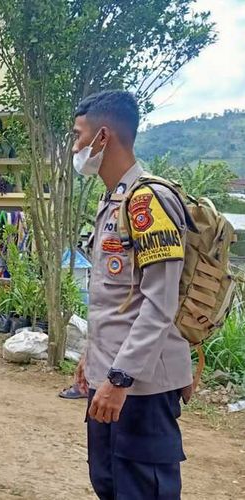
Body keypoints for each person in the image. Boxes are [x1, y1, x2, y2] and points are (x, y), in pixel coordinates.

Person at [72, 90, 193, 500]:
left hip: (140, 387)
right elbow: (113, 298)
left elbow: (160, 305)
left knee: (143, 490)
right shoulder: (113, 201)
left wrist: (119, 379)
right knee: (108, 484)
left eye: (78, 135)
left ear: (102, 137)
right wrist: (92, 360)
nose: (75, 147)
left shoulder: (148, 201)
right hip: (109, 378)